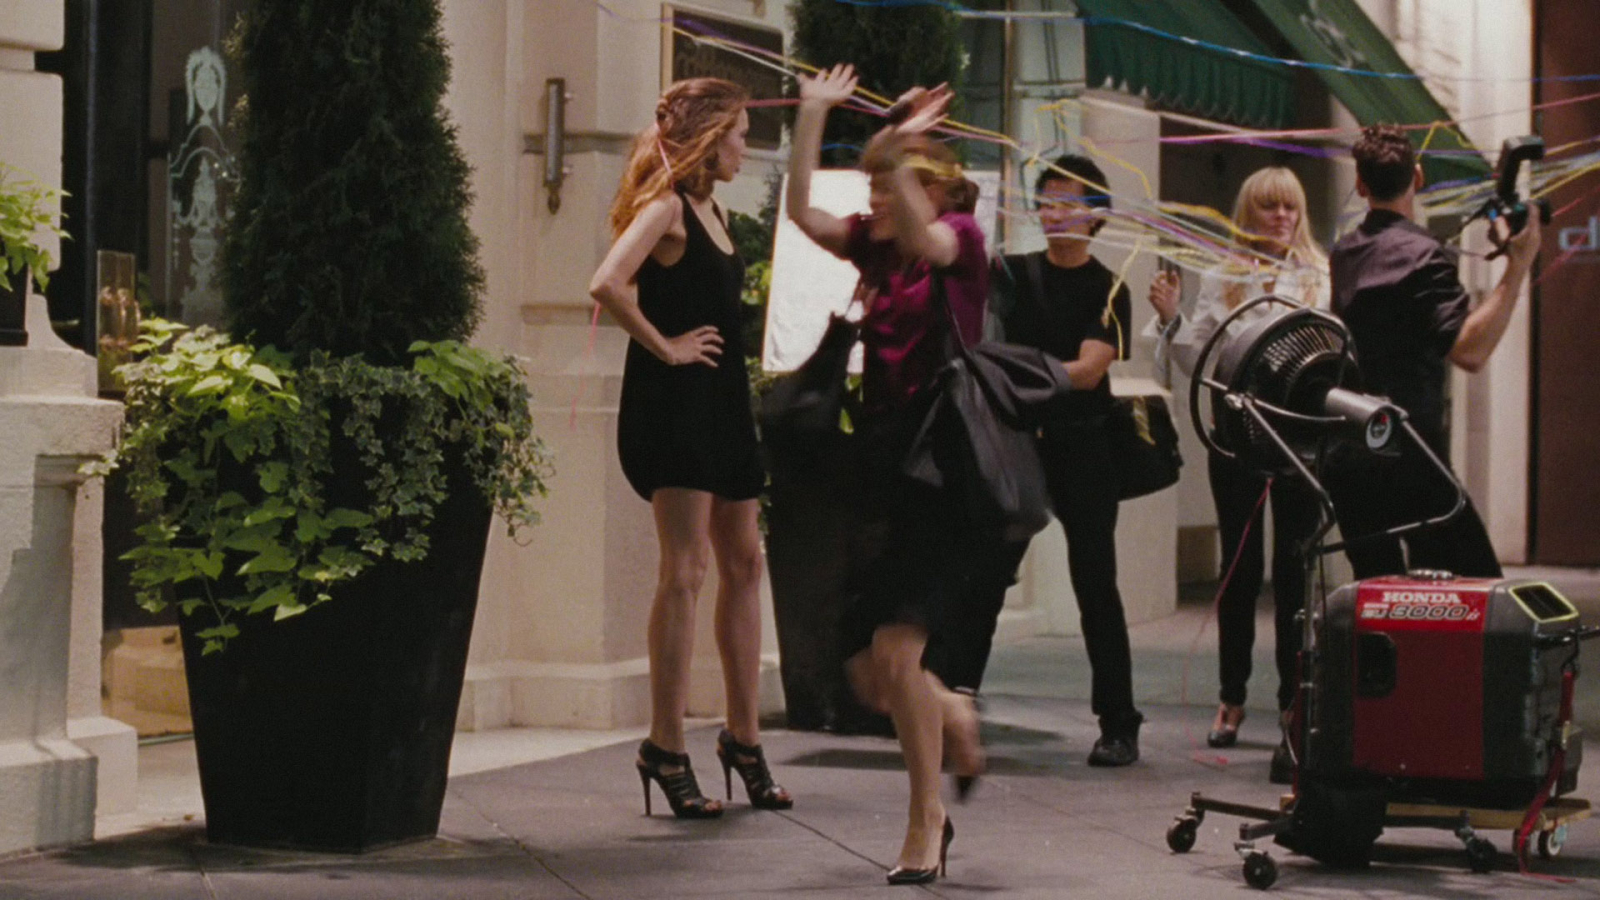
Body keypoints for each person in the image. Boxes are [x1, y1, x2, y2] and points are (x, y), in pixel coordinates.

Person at [786, 63, 986, 886]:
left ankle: (925, 821)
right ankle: (953, 711)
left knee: (898, 656)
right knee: (869, 678)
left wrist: (892, 148)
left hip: (942, 473)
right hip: (878, 467)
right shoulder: (875, 247)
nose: (874, 200)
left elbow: (930, 237)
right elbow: (801, 212)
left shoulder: (960, 243)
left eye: (889, 187)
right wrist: (811, 115)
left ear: (930, 190)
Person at [588, 77, 791, 820]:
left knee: (746, 562)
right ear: (710, 135)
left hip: (724, 402)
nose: (745, 146)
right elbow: (607, 283)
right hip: (675, 406)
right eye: (738, 132)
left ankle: (744, 740)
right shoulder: (668, 206)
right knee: (686, 570)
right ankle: (665, 746)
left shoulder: (715, 210)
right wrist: (666, 346)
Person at [928, 155, 1144, 768]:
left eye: (1069, 201)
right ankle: (956, 704)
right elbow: (987, 342)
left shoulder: (1110, 288)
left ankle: (1119, 724)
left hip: (1085, 445)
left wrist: (1018, 376)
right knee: (988, 574)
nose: (1055, 212)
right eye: (1047, 201)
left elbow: (1090, 370)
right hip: (1019, 443)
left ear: (1096, 214)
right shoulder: (1013, 274)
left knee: (1095, 582)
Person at [1145, 167, 1327, 779]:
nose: (1281, 218)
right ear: (1248, 214)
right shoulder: (1224, 275)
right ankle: (1231, 697)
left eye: (1290, 208)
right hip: (1237, 434)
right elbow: (1199, 356)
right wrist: (1171, 319)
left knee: (1295, 570)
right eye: (1269, 208)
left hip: (1298, 437)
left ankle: (1294, 702)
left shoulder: (1319, 275)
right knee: (1239, 569)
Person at [1325, 124, 1541, 579]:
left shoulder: (1343, 255)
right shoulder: (1426, 255)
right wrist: (1517, 266)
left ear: (1361, 185)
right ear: (1418, 177)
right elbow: (1470, 351)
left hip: (1352, 452)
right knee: (1476, 589)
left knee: (1378, 596)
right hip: (1411, 452)